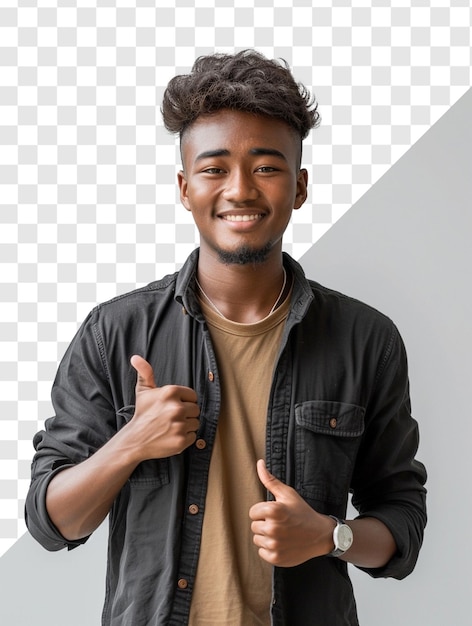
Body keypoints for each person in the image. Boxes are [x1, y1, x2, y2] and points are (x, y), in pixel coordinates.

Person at [25, 50, 427, 626]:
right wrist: (131, 442)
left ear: (300, 186)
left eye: (266, 167)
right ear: (186, 188)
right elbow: (52, 523)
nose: (240, 189)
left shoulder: (367, 340)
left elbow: (403, 522)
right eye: (215, 169)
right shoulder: (115, 332)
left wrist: (327, 536)